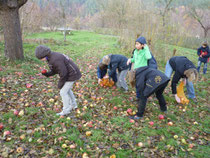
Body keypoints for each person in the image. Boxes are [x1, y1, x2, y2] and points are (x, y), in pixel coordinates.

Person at [35, 45, 81, 116]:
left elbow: (63, 73)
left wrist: (60, 84)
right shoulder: (51, 57)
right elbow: (55, 70)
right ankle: (74, 105)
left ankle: (66, 110)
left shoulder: (55, 59)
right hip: (69, 73)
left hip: (72, 74)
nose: (41, 60)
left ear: (44, 55)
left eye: (41, 58)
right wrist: (47, 74)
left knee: (63, 92)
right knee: (67, 90)